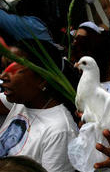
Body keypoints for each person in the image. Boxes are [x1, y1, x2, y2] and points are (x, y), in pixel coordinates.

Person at [0, 39, 78, 172]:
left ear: (42, 80)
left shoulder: (59, 131)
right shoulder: (23, 102)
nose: (3, 76)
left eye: (14, 69)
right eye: (4, 67)